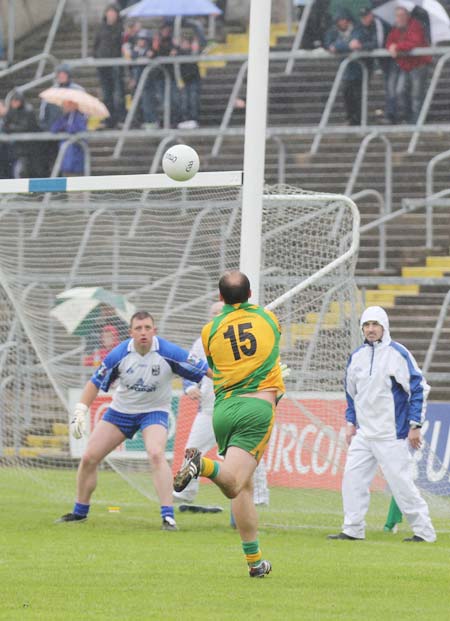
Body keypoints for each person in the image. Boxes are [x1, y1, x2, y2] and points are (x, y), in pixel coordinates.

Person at [174, 271, 285, 577]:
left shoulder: (209, 331)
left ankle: (255, 563)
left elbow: (213, 362)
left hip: (222, 410)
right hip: (256, 409)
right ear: (250, 294)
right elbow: (270, 345)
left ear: (220, 298)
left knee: (243, 488)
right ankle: (203, 466)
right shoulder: (268, 319)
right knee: (234, 482)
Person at [57, 311, 211, 531]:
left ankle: (168, 517)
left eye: (147, 328)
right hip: (121, 412)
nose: (143, 333)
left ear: (154, 330)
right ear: (130, 333)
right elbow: (95, 382)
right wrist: (81, 410)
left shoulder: (168, 351)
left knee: (156, 453)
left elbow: (205, 370)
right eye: (138, 329)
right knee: (90, 456)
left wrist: (234, 380)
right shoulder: (119, 354)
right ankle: (79, 512)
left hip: (154, 412)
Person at [328, 305, 436, 543]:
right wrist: (350, 422)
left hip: (392, 435)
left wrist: (415, 426)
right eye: (366, 325)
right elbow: (351, 393)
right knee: (352, 479)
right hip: (365, 434)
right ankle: (353, 529)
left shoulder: (398, 354)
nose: (371, 329)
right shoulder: (357, 357)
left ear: (384, 327)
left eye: (375, 324)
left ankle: (424, 532)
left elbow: (418, 388)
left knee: (401, 485)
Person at [173, 301, 270, 509]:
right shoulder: (202, 340)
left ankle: (259, 497)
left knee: (246, 454)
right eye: (213, 313)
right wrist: (190, 387)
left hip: (236, 408)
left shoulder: (241, 339)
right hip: (208, 410)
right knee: (192, 449)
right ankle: (185, 493)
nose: (217, 315)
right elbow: (189, 365)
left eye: (220, 312)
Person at [385, 6, 432, 124]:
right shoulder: (396, 28)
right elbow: (389, 41)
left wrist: (397, 47)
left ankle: (417, 121)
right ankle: (407, 116)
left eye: (401, 15)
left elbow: (413, 42)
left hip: (419, 64)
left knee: (416, 94)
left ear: (407, 16)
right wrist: (391, 46)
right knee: (400, 91)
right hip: (406, 64)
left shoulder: (416, 26)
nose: (399, 18)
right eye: (397, 16)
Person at [39, 64, 85, 176]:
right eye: (59, 74)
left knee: (71, 164)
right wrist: (49, 128)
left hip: (71, 137)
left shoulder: (78, 90)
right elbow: (43, 115)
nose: (62, 77)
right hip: (55, 134)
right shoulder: (51, 93)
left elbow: (84, 114)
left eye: (64, 74)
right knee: (54, 162)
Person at [325, 10, 364, 125]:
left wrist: (339, 46)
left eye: (344, 20)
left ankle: (358, 119)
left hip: (357, 68)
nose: (343, 23)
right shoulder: (333, 31)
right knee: (347, 94)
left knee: (357, 95)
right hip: (346, 71)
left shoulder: (356, 30)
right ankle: (350, 118)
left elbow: (355, 44)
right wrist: (347, 45)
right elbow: (329, 44)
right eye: (340, 20)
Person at [93, 3, 126, 128]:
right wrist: (96, 56)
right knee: (107, 94)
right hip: (103, 66)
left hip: (116, 64)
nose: (111, 16)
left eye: (113, 13)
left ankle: (121, 118)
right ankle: (108, 119)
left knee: (118, 93)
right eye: (109, 13)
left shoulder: (120, 28)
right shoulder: (101, 28)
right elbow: (96, 44)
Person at [3, 91, 42, 178]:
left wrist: (11, 127)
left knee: (26, 169)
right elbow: (6, 125)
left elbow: (26, 127)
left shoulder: (28, 111)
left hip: (29, 147)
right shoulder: (12, 111)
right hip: (17, 147)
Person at [50, 101, 87, 176]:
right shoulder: (64, 118)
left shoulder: (79, 117)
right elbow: (54, 129)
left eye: (67, 105)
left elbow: (81, 131)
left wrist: (69, 127)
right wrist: (63, 126)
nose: (64, 107)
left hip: (76, 157)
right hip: (65, 157)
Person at [177, 36, 202, 129]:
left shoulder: (193, 53)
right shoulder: (178, 54)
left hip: (193, 80)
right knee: (184, 101)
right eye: (183, 43)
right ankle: (185, 119)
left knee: (193, 100)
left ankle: (193, 119)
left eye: (186, 43)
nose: (185, 45)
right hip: (184, 80)